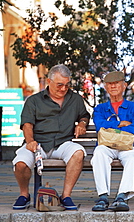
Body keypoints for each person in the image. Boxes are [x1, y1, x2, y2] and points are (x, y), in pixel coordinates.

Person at [12, 64, 90, 210]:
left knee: (78, 153)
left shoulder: (75, 99)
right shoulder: (34, 100)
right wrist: (30, 142)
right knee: (20, 164)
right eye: (59, 85)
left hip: (63, 143)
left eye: (66, 85)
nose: (63, 89)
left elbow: (84, 115)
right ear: (49, 81)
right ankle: (24, 195)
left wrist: (82, 123)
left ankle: (66, 196)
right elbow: (27, 124)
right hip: (37, 143)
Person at [91, 71, 134, 212]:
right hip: (106, 145)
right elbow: (99, 126)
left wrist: (111, 127)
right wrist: (120, 124)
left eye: (116, 83)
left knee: (132, 157)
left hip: (128, 145)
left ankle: (121, 197)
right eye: (110, 84)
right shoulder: (100, 108)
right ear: (106, 87)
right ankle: (103, 197)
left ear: (124, 85)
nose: (113, 86)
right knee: (99, 153)